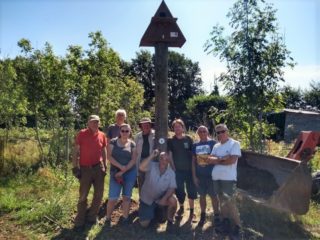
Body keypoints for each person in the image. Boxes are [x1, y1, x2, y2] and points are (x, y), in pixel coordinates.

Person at [72, 115, 107, 229]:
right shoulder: (81, 134)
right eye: (92, 122)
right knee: (83, 195)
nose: (95, 124)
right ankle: (80, 220)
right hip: (85, 168)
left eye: (97, 122)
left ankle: (92, 217)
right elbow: (76, 151)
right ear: (88, 123)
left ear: (99, 123)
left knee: (98, 194)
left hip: (98, 168)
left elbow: (103, 150)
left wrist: (105, 166)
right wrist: (75, 167)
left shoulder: (102, 135)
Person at [208, 123, 242, 239]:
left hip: (228, 179)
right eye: (218, 132)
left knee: (231, 203)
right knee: (221, 201)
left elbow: (232, 160)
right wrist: (223, 158)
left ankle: (238, 227)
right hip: (216, 178)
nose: (221, 134)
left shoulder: (234, 144)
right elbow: (209, 160)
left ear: (227, 131)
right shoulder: (216, 146)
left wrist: (217, 160)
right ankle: (226, 223)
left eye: (223, 131)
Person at [105, 123, 137, 225]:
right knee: (113, 197)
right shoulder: (113, 142)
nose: (124, 133)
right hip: (116, 173)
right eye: (122, 131)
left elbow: (133, 159)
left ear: (130, 132)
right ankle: (108, 218)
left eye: (127, 131)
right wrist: (120, 167)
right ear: (120, 131)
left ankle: (125, 218)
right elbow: (109, 156)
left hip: (129, 172)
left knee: (127, 197)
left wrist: (124, 169)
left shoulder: (132, 144)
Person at [167, 119, 197, 220]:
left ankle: (192, 211)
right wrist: (173, 168)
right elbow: (170, 155)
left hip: (189, 170)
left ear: (182, 127)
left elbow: (193, 155)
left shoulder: (188, 139)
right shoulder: (171, 140)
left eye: (179, 126)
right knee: (179, 191)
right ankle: (182, 206)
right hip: (177, 171)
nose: (177, 128)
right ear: (173, 128)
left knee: (191, 191)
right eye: (175, 127)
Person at [139, 151, 177, 228]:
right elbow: (141, 167)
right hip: (147, 200)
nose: (163, 161)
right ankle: (152, 213)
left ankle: (170, 219)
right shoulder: (152, 165)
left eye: (166, 160)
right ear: (158, 159)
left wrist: (164, 198)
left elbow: (172, 187)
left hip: (160, 199)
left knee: (173, 200)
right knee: (144, 224)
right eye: (162, 158)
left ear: (169, 162)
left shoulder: (171, 173)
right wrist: (151, 155)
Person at [191, 125, 219, 226]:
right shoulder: (195, 145)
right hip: (200, 176)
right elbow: (193, 162)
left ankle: (217, 215)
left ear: (207, 132)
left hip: (212, 176)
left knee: (214, 196)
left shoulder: (213, 143)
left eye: (204, 131)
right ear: (198, 133)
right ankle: (203, 215)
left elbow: (218, 158)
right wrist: (194, 176)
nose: (202, 133)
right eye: (200, 132)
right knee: (202, 196)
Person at [134, 117, 155, 192]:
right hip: (140, 161)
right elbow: (135, 151)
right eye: (144, 124)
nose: (146, 126)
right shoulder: (137, 136)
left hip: (152, 161)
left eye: (147, 124)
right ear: (141, 126)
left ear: (150, 125)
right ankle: (142, 201)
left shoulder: (155, 134)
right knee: (141, 182)